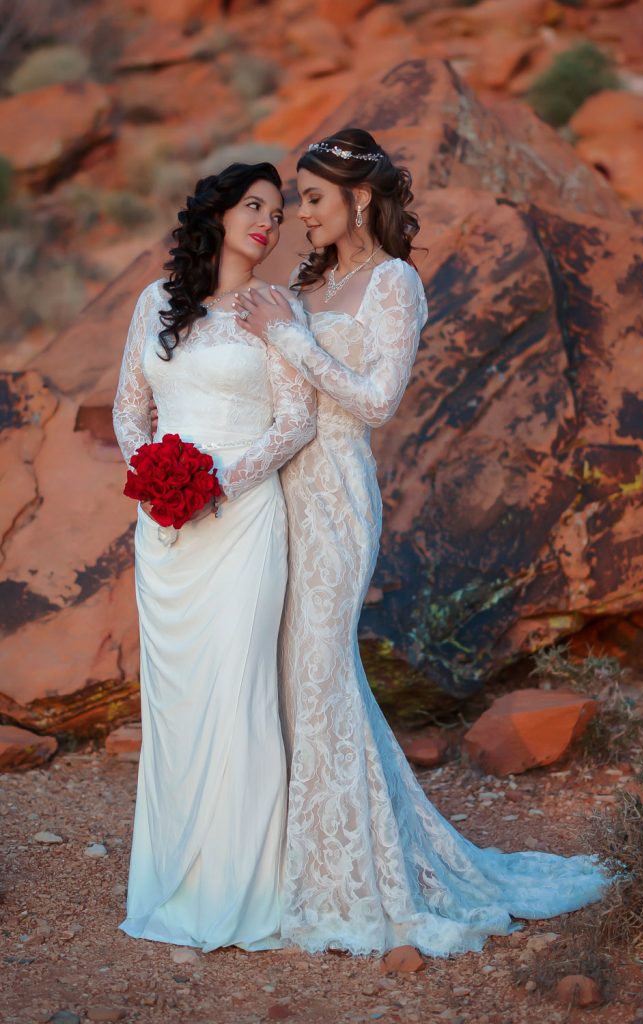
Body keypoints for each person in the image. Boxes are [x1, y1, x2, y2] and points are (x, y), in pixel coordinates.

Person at [233, 129, 609, 958]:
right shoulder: (313, 279)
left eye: (314, 198)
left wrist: (288, 336)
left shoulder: (393, 282)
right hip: (277, 493)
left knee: (319, 670)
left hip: (336, 491)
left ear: (359, 198)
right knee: (287, 677)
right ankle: (294, 861)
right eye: (297, 199)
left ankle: (348, 879)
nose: (301, 213)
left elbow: (375, 402)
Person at [112, 163, 316, 952]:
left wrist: (213, 485)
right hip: (163, 529)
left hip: (240, 517)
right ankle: (176, 880)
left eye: (279, 210)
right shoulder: (153, 304)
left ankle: (247, 892)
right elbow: (132, 406)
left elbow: (294, 421)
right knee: (177, 705)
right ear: (217, 215)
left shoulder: (275, 307)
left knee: (238, 694)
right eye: (253, 206)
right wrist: (155, 479)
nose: (268, 221)